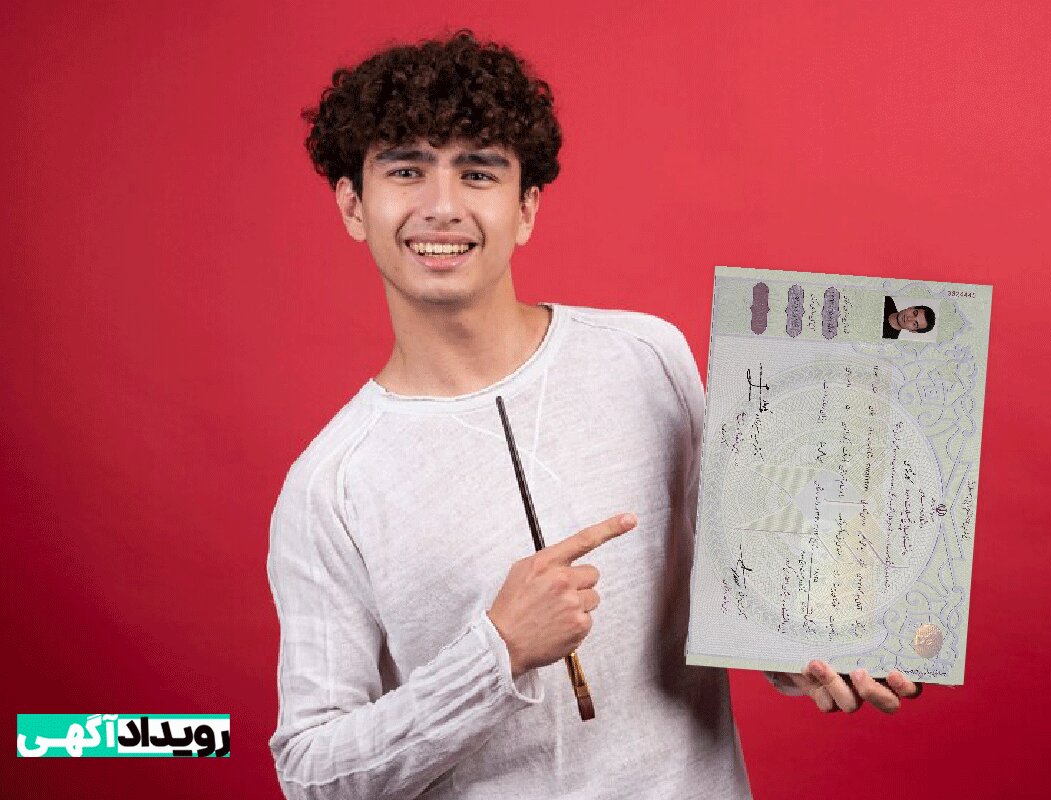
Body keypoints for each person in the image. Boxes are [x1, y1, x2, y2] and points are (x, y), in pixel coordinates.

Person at [267, 30, 921, 800]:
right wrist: (497, 651)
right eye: (406, 170)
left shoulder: (649, 358)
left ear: (526, 208)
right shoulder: (330, 487)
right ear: (353, 203)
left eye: (478, 172)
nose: (441, 207)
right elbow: (311, 772)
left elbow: (745, 587)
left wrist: (814, 651)